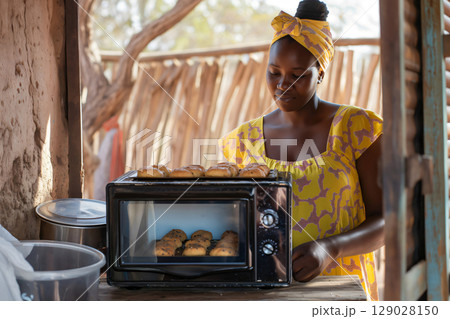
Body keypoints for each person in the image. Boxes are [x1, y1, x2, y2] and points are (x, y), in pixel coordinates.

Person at [220, 0, 383, 301]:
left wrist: (330, 248)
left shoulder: (356, 128)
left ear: (320, 74)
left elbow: (387, 220)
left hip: (341, 292)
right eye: (274, 72)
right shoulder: (241, 141)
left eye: (298, 75)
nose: (283, 85)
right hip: (263, 293)